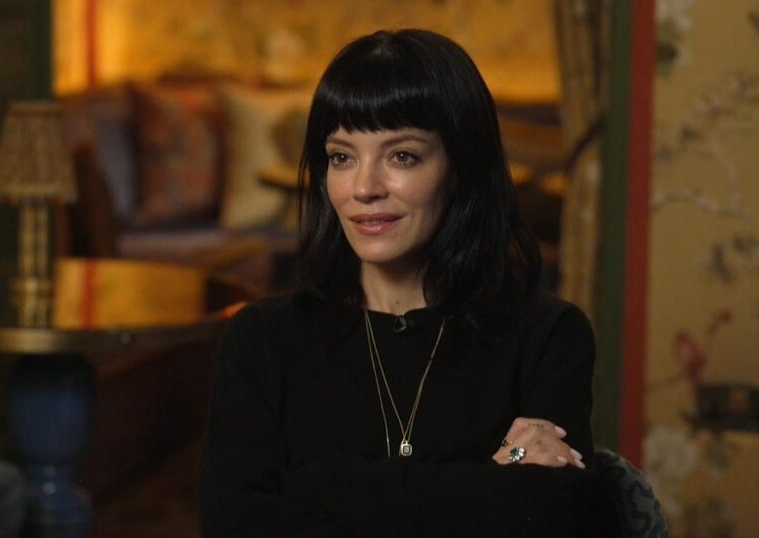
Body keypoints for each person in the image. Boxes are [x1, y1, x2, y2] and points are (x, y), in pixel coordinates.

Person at [199, 29, 604, 537]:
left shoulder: (549, 336)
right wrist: (488, 484)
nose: (364, 188)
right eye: (342, 157)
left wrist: (324, 484)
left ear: (460, 165)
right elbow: (234, 526)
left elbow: (553, 520)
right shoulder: (261, 339)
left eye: (402, 156)